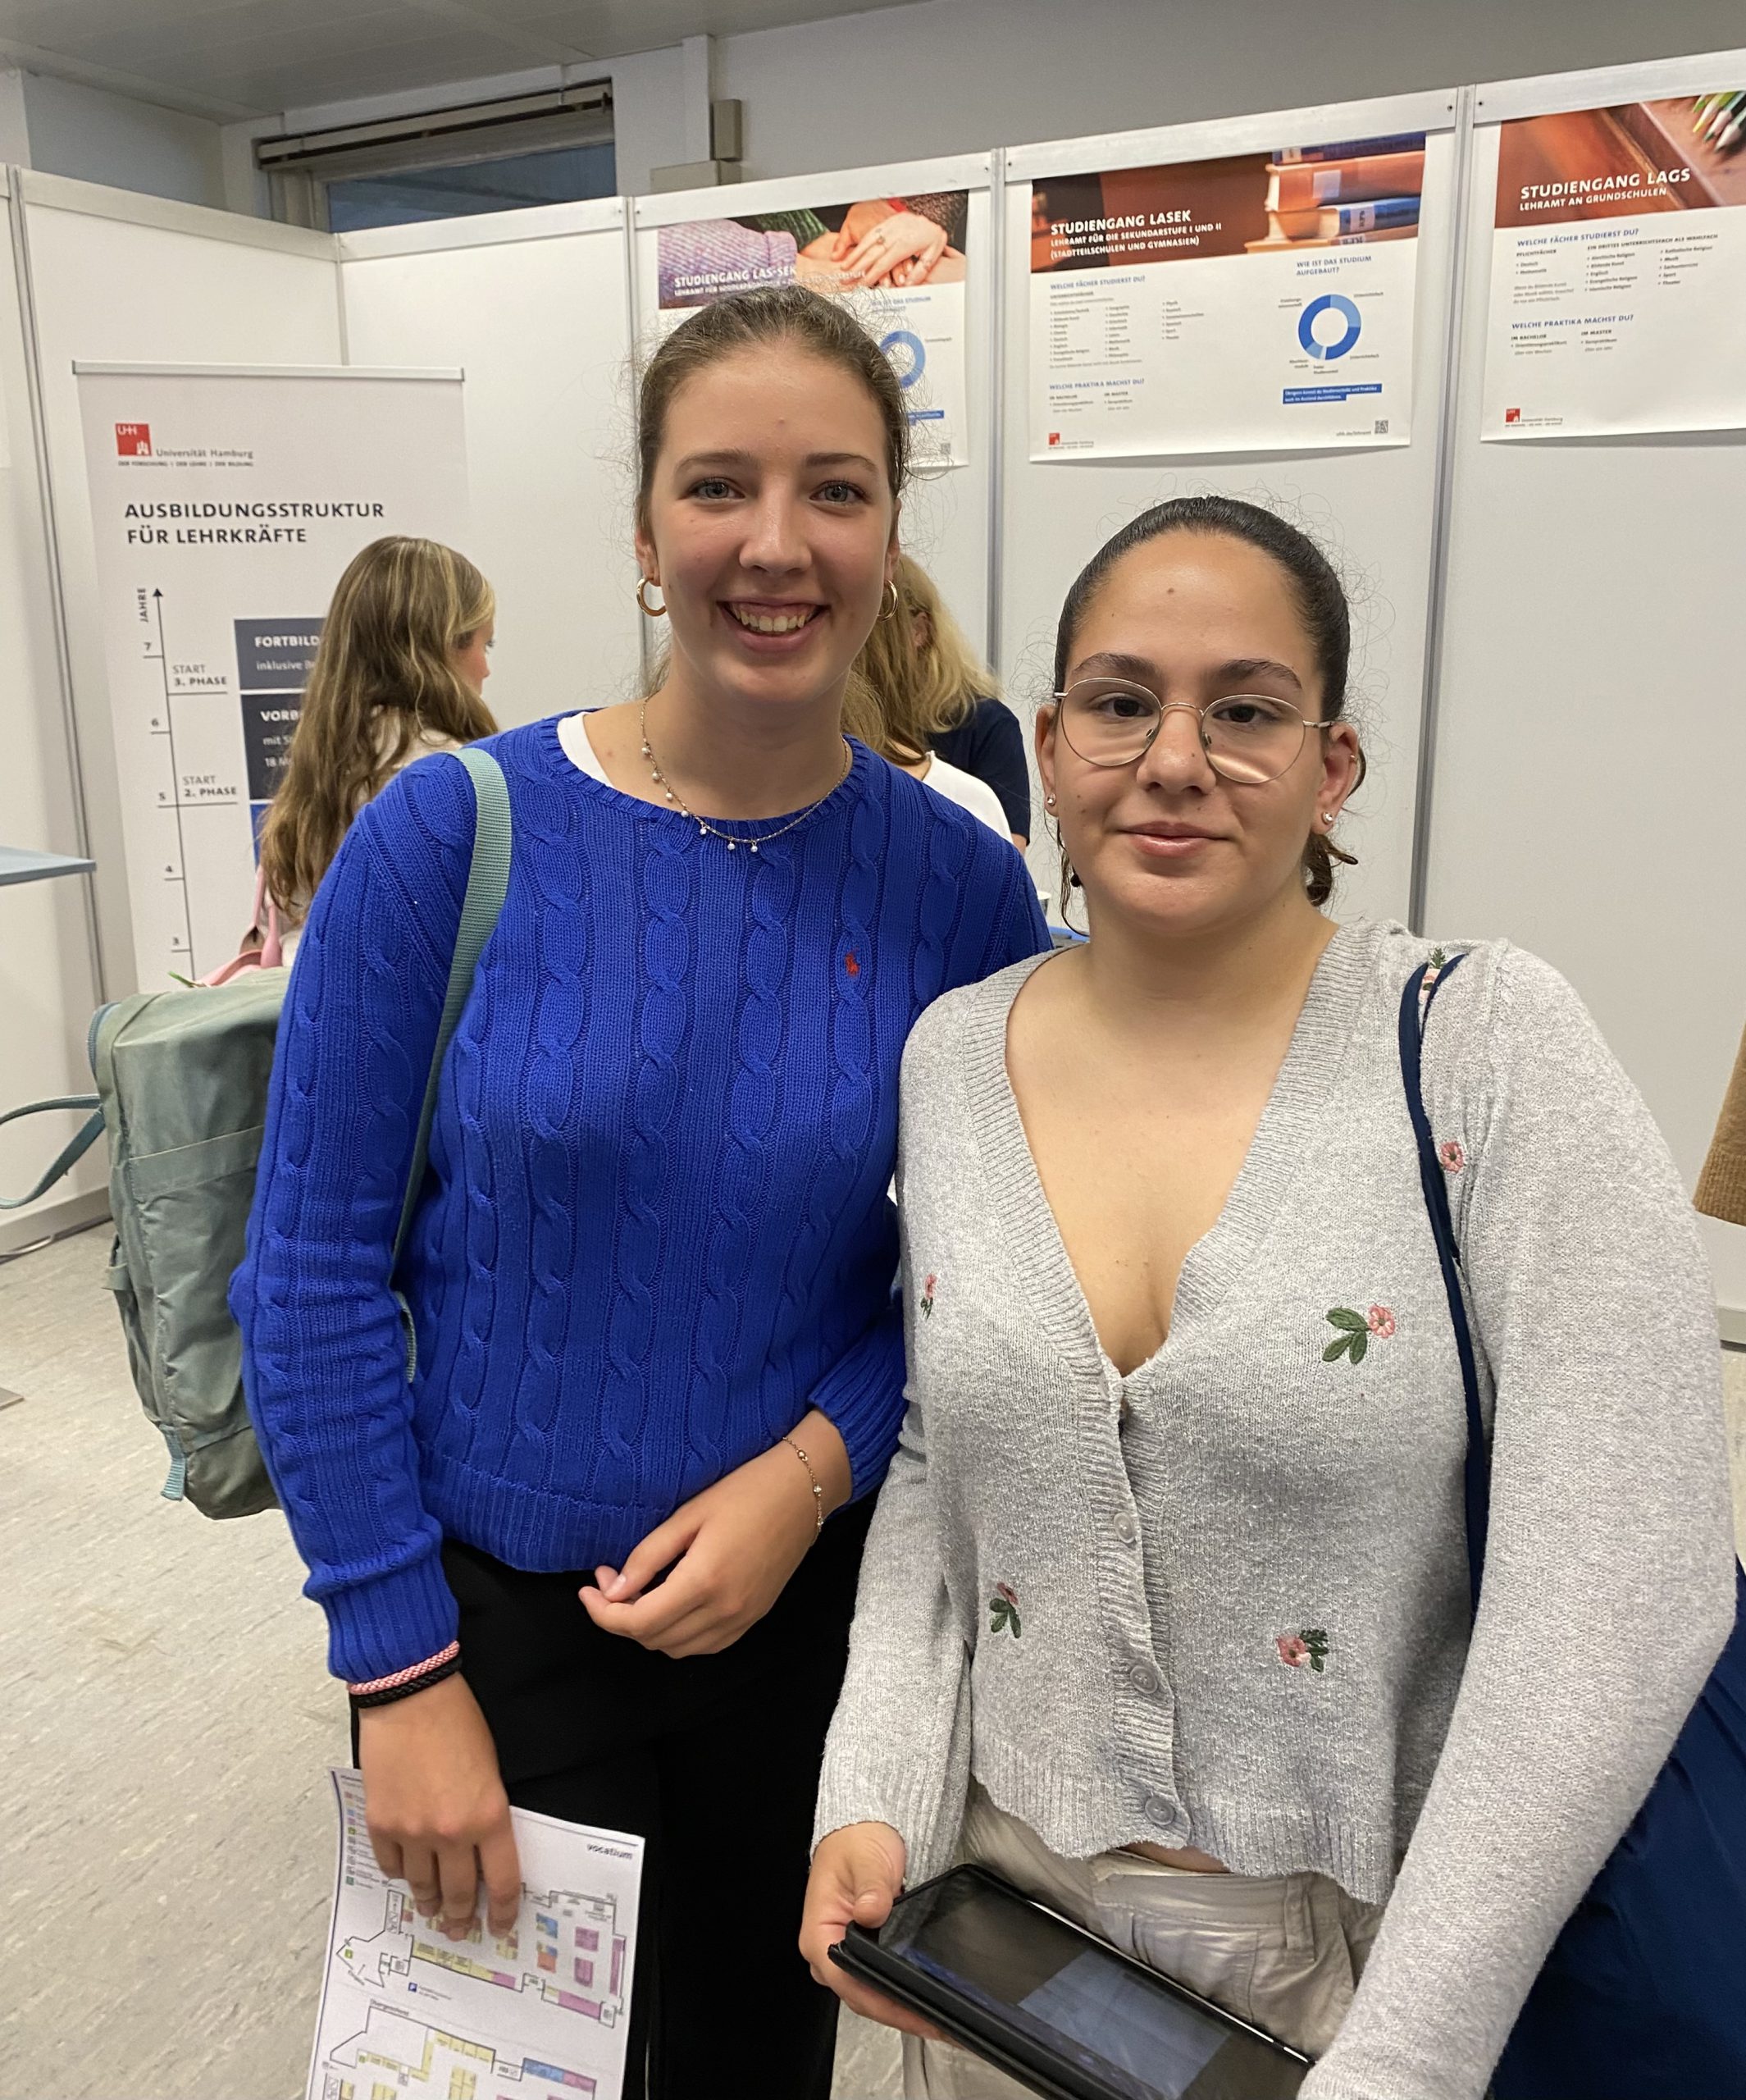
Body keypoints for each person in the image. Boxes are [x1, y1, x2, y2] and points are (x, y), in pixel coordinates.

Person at [800, 495, 1735, 2098]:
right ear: (1048, 745)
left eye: (1242, 710)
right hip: (996, 1934)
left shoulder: (1480, 1047)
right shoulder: (952, 1056)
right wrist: (872, 1787)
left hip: (1373, 1963)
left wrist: (1409, 2052)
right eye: (1119, 702)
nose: (1173, 757)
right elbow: (937, 1459)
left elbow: (1619, 1580)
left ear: (1331, 763)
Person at [230, 285, 1047, 2100]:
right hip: (493, 1634)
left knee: (754, 2069)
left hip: (804, 1615)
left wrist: (808, 1465)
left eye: (833, 491)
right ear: (641, 530)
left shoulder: (957, 891)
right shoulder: (450, 835)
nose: (775, 544)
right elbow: (306, 1276)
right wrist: (396, 1668)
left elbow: (983, 1284)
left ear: (888, 538)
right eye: (718, 486)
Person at [256, 534, 497, 953]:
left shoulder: (321, 768)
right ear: (441, 647)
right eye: (483, 644)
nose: (486, 669)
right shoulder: (449, 776)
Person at [853, 554, 1032, 847]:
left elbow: (1008, 853)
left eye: (871, 631)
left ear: (919, 631)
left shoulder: (986, 724)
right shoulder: (835, 724)